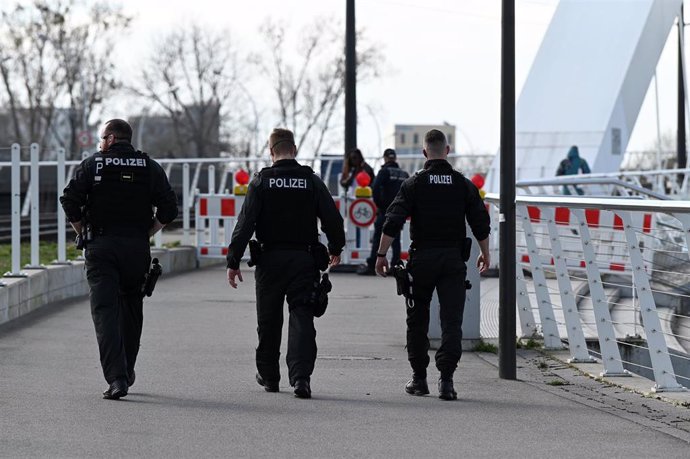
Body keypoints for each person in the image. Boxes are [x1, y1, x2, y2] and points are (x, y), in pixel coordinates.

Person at [60, 119, 178, 400]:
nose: (100, 143)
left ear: (111, 138)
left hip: (101, 247)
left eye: (102, 138)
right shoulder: (150, 167)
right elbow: (169, 208)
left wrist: (82, 231)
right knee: (131, 309)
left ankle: (117, 378)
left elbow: (69, 200)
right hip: (136, 249)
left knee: (105, 312)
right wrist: (147, 232)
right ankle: (127, 369)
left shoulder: (93, 165)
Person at [226, 128, 345, 399]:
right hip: (304, 260)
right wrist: (336, 248)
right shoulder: (311, 181)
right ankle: (301, 378)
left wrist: (233, 261)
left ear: (271, 152)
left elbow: (244, 224)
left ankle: (269, 376)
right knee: (302, 316)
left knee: (268, 320)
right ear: (294, 149)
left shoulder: (261, 182)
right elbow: (332, 218)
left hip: (269, 261)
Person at [375, 129, 490, 401]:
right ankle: (447, 381)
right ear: (447, 150)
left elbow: (393, 220)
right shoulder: (462, 184)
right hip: (453, 260)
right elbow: (480, 223)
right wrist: (485, 253)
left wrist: (381, 255)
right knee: (452, 321)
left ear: (424, 152)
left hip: (422, 260)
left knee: (417, 320)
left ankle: (419, 379)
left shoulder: (415, 183)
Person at [358, 148, 409, 276]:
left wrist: (379, 205)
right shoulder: (404, 174)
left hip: (385, 211)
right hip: (399, 212)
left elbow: (375, 188)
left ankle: (372, 265)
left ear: (385, 158)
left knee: (378, 238)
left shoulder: (384, 171)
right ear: (395, 158)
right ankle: (395, 266)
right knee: (395, 238)